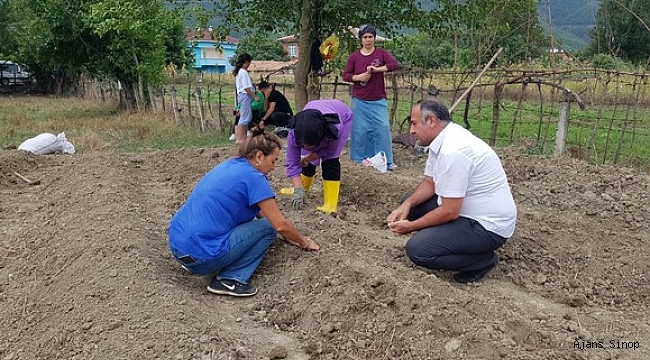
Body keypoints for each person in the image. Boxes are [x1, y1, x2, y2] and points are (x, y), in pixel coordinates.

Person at [168, 133, 320, 297]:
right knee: (269, 228)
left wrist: (287, 235)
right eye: (273, 161)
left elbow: (262, 211)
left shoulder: (230, 165)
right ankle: (230, 278)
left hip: (178, 247)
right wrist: (304, 241)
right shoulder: (255, 178)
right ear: (259, 156)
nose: (273, 167)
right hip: (202, 258)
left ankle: (197, 261)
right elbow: (279, 224)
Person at [386, 98, 517, 283]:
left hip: (487, 226)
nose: (411, 131)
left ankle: (482, 260)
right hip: (465, 210)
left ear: (431, 120)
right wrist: (405, 205)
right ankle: (447, 238)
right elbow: (430, 183)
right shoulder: (440, 141)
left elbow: (450, 211)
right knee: (411, 203)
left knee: (418, 250)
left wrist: (412, 227)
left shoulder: (454, 151)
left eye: (414, 124)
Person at [343, 24, 400, 170]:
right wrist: (359, 77)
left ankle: (386, 159)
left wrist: (377, 69)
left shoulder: (381, 53)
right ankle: (363, 158)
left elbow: (394, 65)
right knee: (361, 130)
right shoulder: (354, 57)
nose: (368, 40)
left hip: (378, 98)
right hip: (360, 99)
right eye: (365, 37)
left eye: (371, 37)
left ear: (374, 38)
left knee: (382, 127)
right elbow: (346, 76)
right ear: (360, 39)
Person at [281, 99, 353, 214]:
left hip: (343, 116)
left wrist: (308, 158)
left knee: (330, 161)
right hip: (311, 124)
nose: (306, 146)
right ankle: (302, 188)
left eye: (310, 145)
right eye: (303, 144)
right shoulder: (294, 133)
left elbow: (329, 152)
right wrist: (298, 189)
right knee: (307, 158)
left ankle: (330, 204)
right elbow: (292, 163)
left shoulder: (334, 129)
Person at [233, 53, 263, 144]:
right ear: (246, 62)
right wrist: (255, 96)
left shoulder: (240, 72)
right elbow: (246, 88)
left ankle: (242, 137)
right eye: (249, 62)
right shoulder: (243, 72)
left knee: (246, 116)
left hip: (243, 95)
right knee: (245, 117)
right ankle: (240, 139)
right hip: (245, 95)